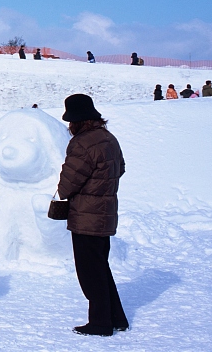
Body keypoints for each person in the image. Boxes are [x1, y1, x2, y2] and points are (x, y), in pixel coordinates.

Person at [58, 93, 128, 336]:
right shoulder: (109, 139)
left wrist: (65, 191)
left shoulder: (81, 143)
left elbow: (68, 183)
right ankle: (116, 318)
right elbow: (120, 169)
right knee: (100, 267)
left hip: (86, 215)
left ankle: (100, 323)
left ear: (76, 120)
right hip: (106, 212)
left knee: (89, 272)